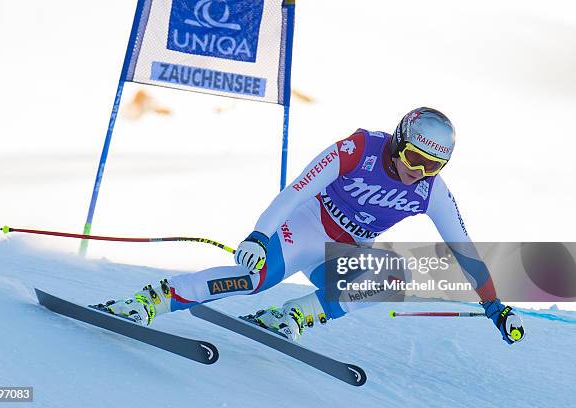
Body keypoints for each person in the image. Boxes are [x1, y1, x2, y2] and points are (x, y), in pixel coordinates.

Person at [102, 107, 525, 345]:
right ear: (398, 143)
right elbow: (296, 190)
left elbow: (465, 253)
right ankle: (154, 299)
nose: (419, 172)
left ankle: (294, 317)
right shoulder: (359, 148)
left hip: (344, 251)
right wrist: (260, 235)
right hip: (307, 224)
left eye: (433, 166)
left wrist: (495, 307)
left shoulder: (431, 191)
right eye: (415, 158)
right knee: (254, 279)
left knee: (394, 277)